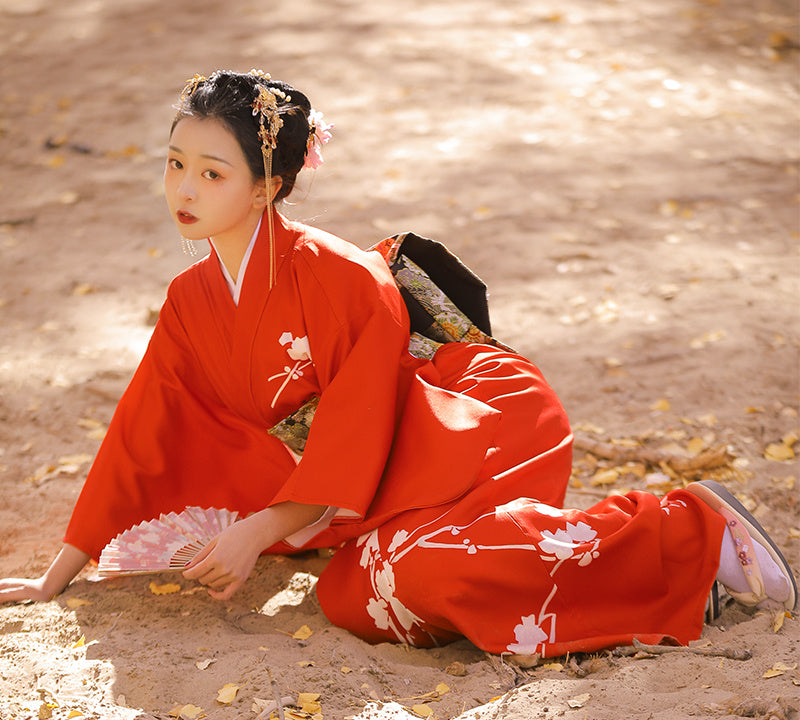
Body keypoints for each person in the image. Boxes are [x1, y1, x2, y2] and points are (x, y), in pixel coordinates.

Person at [0, 70, 795, 658]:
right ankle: (632, 563)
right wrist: (58, 572)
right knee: (358, 596)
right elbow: (144, 429)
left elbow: (357, 422)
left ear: (268, 187)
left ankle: (687, 530)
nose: (184, 188)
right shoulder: (190, 298)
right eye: (175, 163)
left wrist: (261, 528)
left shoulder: (344, 277)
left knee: (420, 578)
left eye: (212, 172)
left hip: (469, 424)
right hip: (380, 480)